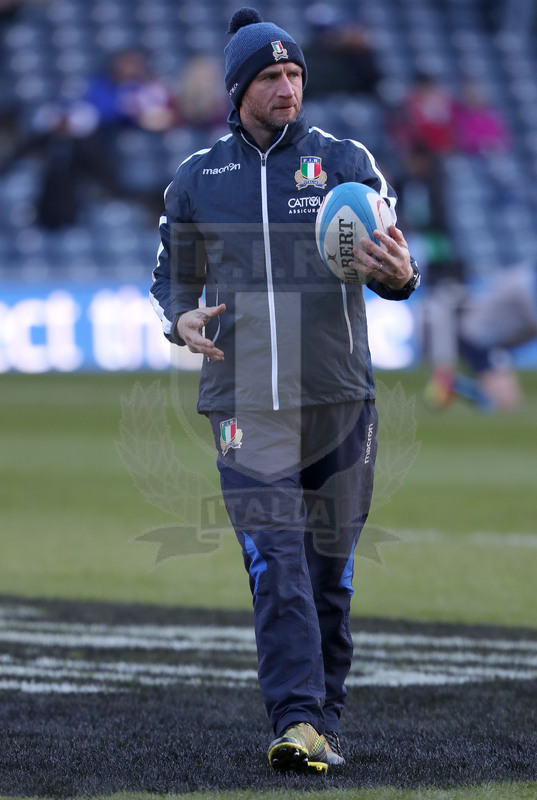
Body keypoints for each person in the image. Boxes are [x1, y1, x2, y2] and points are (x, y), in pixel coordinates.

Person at [150, 6, 420, 773]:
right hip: (243, 402)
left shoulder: (346, 164)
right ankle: (296, 719)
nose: (286, 88)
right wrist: (180, 318)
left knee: (329, 568)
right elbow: (170, 279)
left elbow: (395, 262)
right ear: (238, 88)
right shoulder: (198, 179)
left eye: (294, 73)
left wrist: (402, 278)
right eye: (269, 77)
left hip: (338, 397)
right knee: (277, 560)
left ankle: (320, 720)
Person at [425, 262, 537, 411]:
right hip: (479, 339)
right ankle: (452, 384)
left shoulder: (525, 278)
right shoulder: (524, 284)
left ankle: (461, 386)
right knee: (506, 404)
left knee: (510, 402)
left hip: (495, 342)